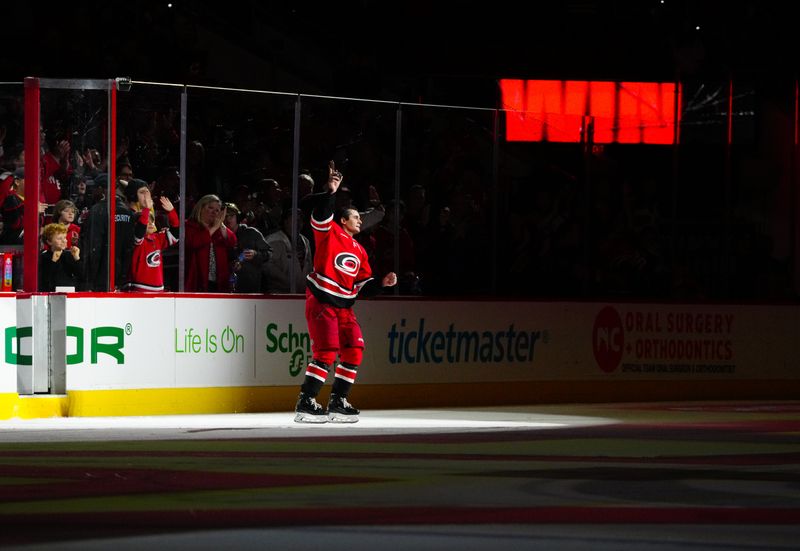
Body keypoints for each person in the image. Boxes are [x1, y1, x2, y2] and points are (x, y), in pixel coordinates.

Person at [294, 161, 397, 424]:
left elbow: (364, 285)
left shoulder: (359, 250)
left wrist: (382, 284)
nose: (360, 220)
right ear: (343, 220)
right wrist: (330, 191)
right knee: (327, 350)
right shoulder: (329, 233)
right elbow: (320, 213)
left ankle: (338, 401)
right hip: (321, 301)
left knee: (354, 349)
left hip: (344, 307)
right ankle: (306, 402)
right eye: (356, 216)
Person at [124, 182, 179, 292]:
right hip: (139, 289)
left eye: (152, 220)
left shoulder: (157, 238)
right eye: (146, 221)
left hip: (159, 290)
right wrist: (145, 210)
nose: (149, 223)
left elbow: (176, 234)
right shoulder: (138, 241)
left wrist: (171, 212)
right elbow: (139, 232)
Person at [184, 194, 237, 292]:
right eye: (210, 208)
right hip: (197, 281)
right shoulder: (189, 225)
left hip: (219, 283)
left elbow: (232, 241)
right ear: (201, 208)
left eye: (217, 210)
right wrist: (214, 228)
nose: (214, 212)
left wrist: (221, 225)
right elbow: (194, 243)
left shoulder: (218, 229)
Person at [222, 202, 271, 293]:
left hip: (250, 287)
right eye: (225, 216)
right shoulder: (219, 236)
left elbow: (269, 254)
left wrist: (256, 254)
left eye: (231, 216)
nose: (228, 219)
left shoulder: (252, 233)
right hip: (227, 288)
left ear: (238, 217)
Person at [264, 207, 312, 293]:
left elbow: (309, 267)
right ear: (285, 221)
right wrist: (287, 281)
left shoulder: (305, 241)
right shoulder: (274, 240)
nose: (298, 223)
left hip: (301, 293)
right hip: (279, 294)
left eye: (300, 220)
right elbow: (268, 266)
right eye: (294, 219)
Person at [39, 223, 83, 291]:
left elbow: (81, 276)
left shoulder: (69, 255)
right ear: (49, 242)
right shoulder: (44, 256)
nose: (64, 241)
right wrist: (53, 261)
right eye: (59, 238)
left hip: (70, 291)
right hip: (51, 292)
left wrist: (77, 258)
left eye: (65, 237)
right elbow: (45, 280)